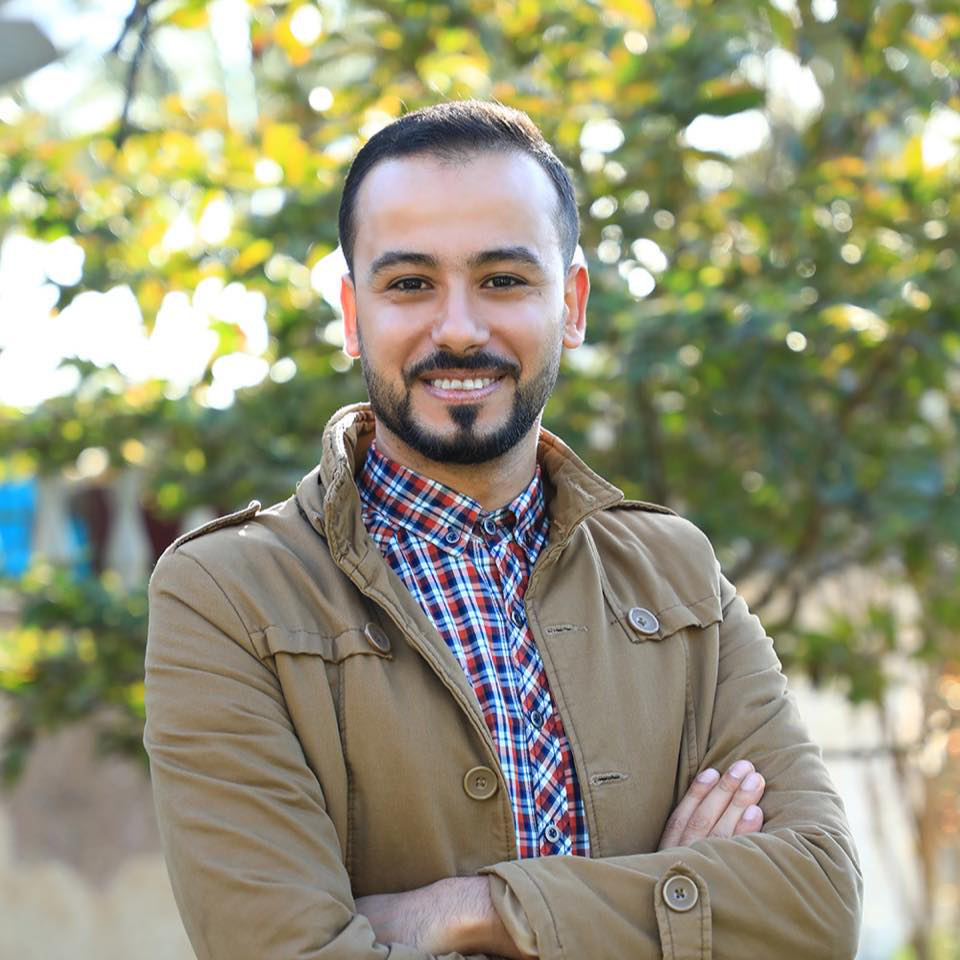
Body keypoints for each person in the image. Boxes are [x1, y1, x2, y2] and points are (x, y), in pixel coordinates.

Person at [144, 100, 862, 960]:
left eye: (504, 280)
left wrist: (474, 910)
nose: (457, 329)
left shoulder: (676, 571)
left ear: (572, 303)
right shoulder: (227, 596)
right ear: (352, 313)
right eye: (409, 284)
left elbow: (818, 905)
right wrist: (674, 909)